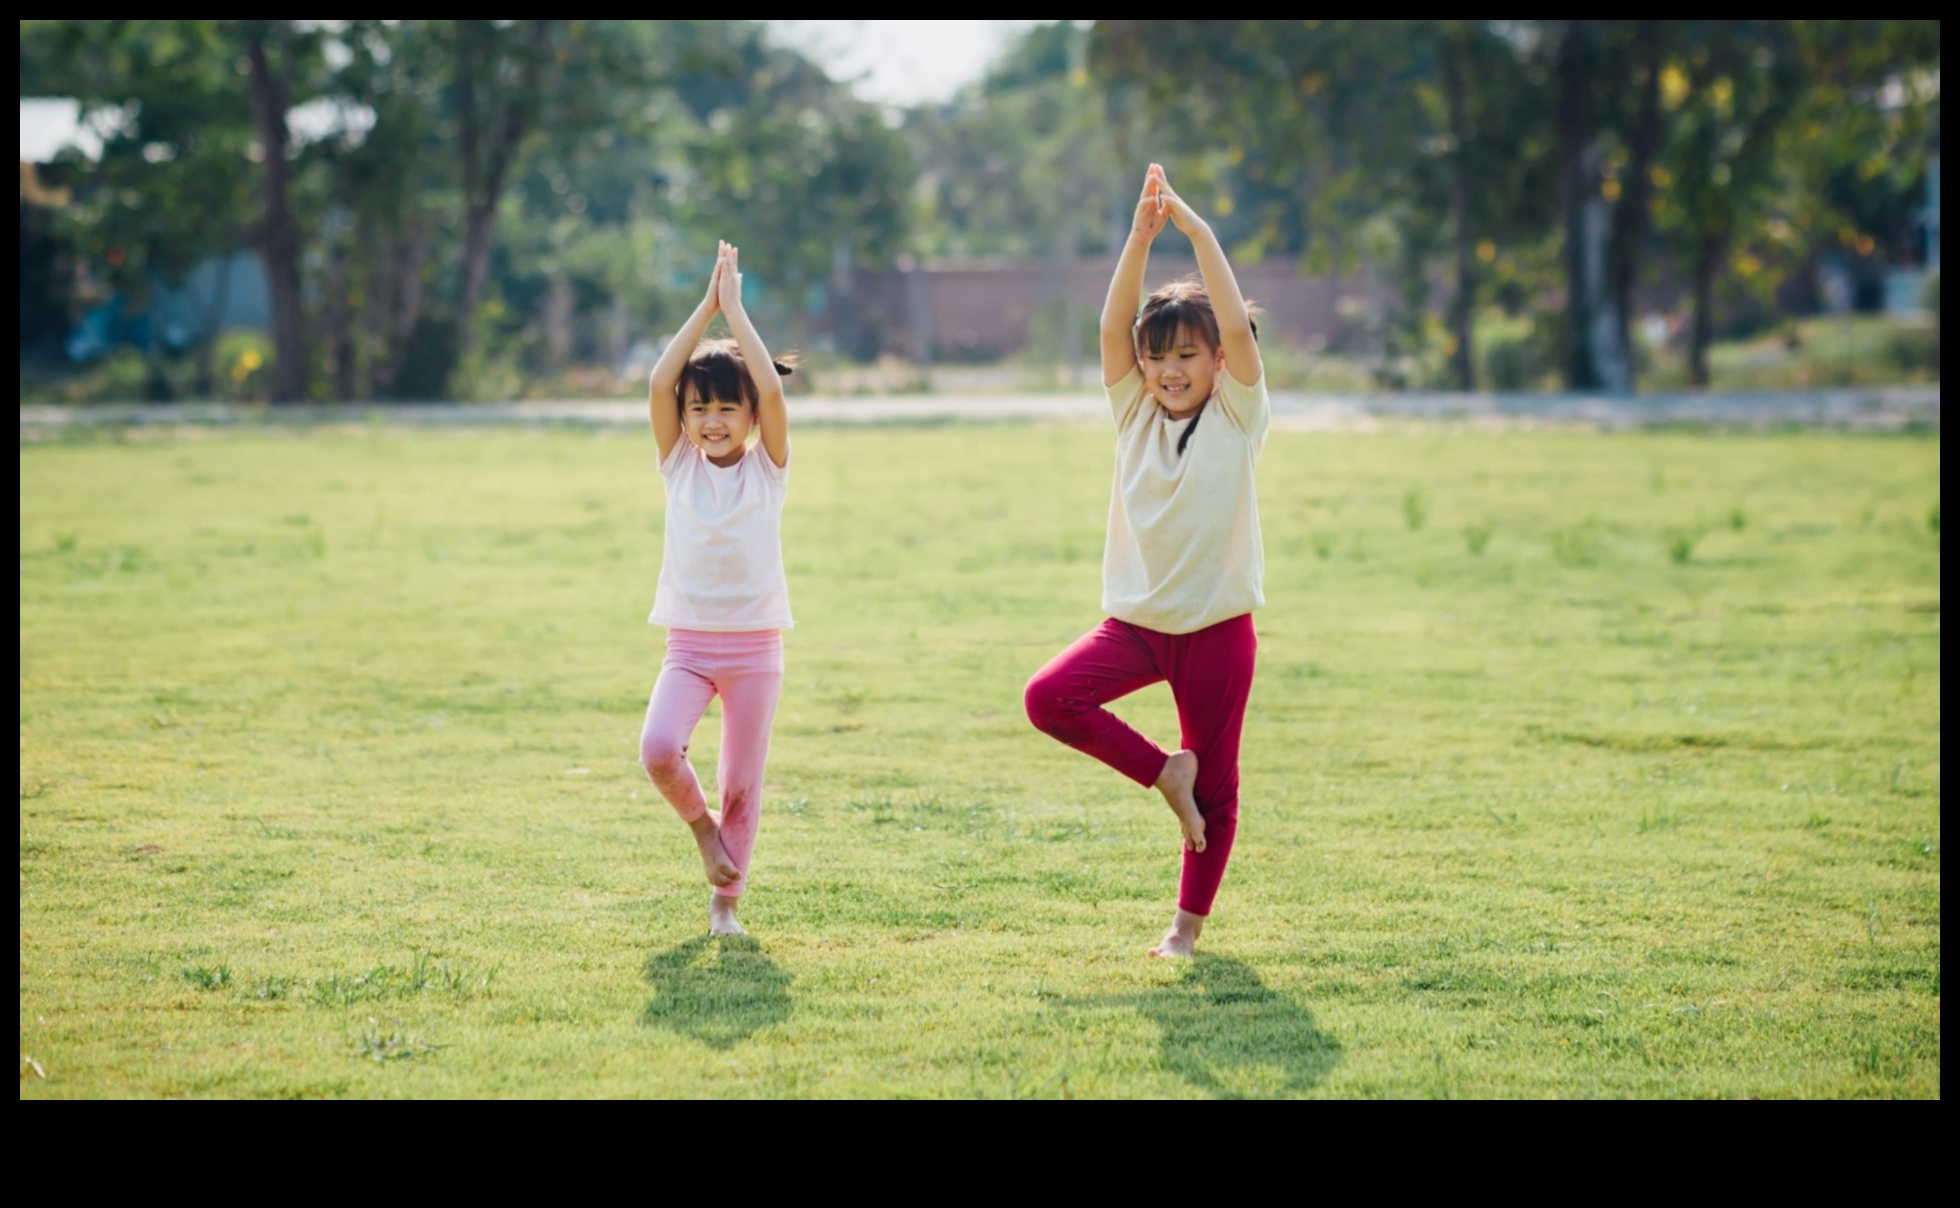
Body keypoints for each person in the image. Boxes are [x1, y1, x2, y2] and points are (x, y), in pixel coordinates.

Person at [1024, 165, 1269, 958]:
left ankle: (1185, 930)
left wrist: (1197, 236)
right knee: (1048, 699)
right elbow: (1109, 331)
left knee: (1220, 790)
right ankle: (1165, 773)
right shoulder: (1133, 413)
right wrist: (1138, 239)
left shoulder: (1237, 414)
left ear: (1218, 364)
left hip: (1217, 630)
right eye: (1158, 356)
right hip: (1135, 626)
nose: (1170, 370)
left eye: (1188, 356)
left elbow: (1235, 329)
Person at [640, 241, 793, 937]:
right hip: (690, 646)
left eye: (727, 409)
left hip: (756, 649)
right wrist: (706, 310)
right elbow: (656, 384)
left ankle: (725, 905)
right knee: (657, 750)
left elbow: (772, 389)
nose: (711, 421)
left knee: (742, 785)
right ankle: (704, 835)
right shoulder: (678, 465)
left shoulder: (768, 469)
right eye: (700, 408)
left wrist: (738, 313)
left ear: (750, 417)